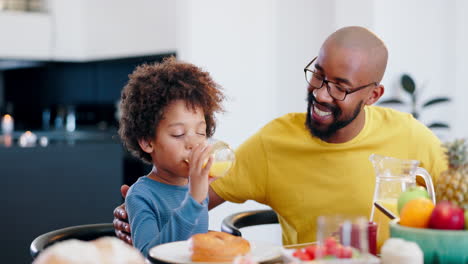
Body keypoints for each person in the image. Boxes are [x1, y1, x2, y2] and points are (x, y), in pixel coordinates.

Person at [114, 26, 447, 246]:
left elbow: (457, 217)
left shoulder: (414, 139)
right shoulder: (274, 143)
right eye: (318, 75)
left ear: (373, 95)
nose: (322, 94)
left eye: (340, 87)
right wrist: (135, 213)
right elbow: (187, 193)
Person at [117, 56, 224, 256]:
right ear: (148, 142)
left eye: (201, 132)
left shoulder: (196, 185)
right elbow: (149, 255)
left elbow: (192, 246)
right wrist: (194, 199)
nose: (194, 143)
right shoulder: (141, 196)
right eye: (178, 134)